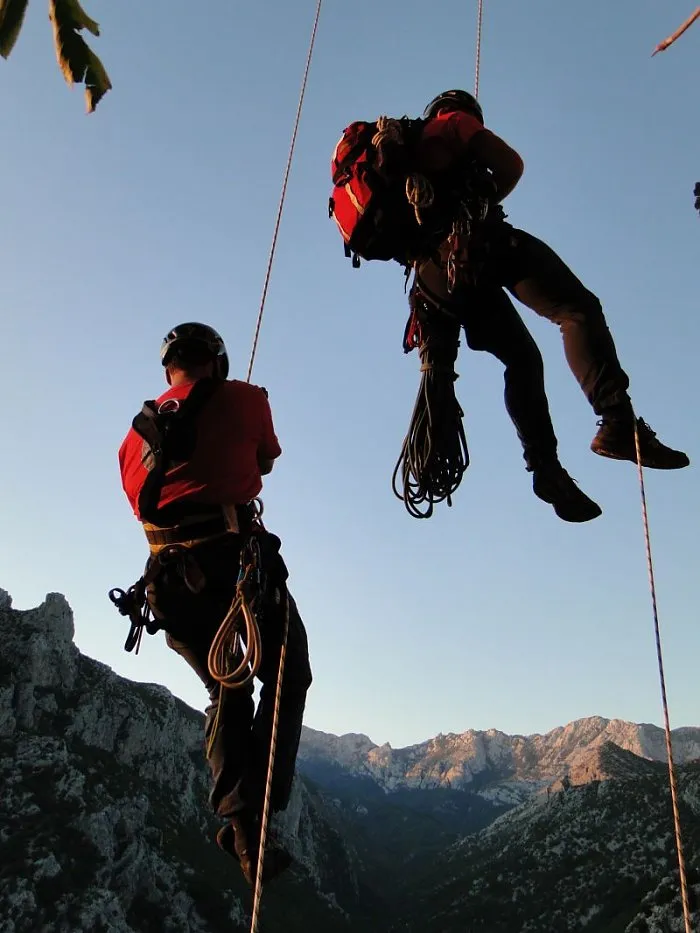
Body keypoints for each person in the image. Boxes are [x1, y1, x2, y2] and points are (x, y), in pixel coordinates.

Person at [409, 89, 689, 521]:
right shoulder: (454, 125)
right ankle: (616, 421)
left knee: (522, 359)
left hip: (433, 281)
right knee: (577, 310)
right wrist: (485, 196)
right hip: (478, 242)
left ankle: (546, 470)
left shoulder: (408, 165)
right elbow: (511, 165)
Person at [118, 322, 312, 886]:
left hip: (170, 583)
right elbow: (266, 462)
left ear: (167, 371)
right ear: (218, 362)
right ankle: (260, 814)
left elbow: (148, 507)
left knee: (226, 686)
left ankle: (241, 824)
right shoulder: (246, 399)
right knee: (287, 673)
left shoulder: (132, 441)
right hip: (234, 569)